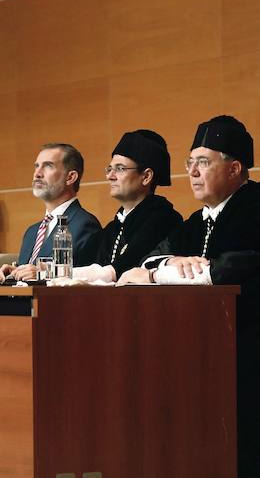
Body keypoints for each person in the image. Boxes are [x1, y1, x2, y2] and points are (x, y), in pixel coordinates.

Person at [116, 116, 260, 477]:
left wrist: (165, 273)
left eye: (204, 162)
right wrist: (165, 267)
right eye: (189, 163)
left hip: (248, 349)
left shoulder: (255, 206)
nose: (193, 172)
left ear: (235, 167)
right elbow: (145, 264)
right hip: (201, 351)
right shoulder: (198, 219)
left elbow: (228, 269)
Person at [71, 130, 182, 282]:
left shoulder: (163, 218)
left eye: (120, 169)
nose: (110, 176)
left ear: (146, 176)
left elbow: (115, 272)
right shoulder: (114, 226)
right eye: (110, 169)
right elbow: (87, 264)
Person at [0, 143, 101, 282]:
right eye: (36, 166)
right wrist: (14, 272)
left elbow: (84, 277)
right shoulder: (32, 231)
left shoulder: (85, 225)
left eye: (48, 166)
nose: (37, 173)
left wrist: (40, 274)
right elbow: (30, 275)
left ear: (70, 177)